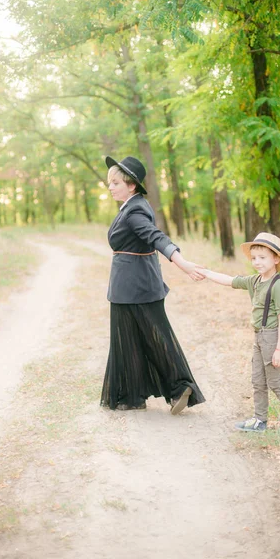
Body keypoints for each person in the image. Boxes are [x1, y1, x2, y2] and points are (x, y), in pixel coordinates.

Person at [100, 155, 206, 415]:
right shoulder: (131, 206)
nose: (110, 187)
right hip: (131, 287)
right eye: (109, 183)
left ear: (132, 185)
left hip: (136, 287)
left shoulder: (135, 210)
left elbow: (155, 237)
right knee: (137, 339)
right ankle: (135, 394)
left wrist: (182, 262)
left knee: (154, 338)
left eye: (115, 182)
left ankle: (179, 387)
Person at [196, 232, 280, 433]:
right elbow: (229, 280)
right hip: (259, 337)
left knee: (275, 382)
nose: (257, 262)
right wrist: (206, 273)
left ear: (275, 259)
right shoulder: (254, 281)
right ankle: (259, 420)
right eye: (254, 258)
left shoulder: (278, 285)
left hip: (272, 337)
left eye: (262, 258)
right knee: (258, 381)